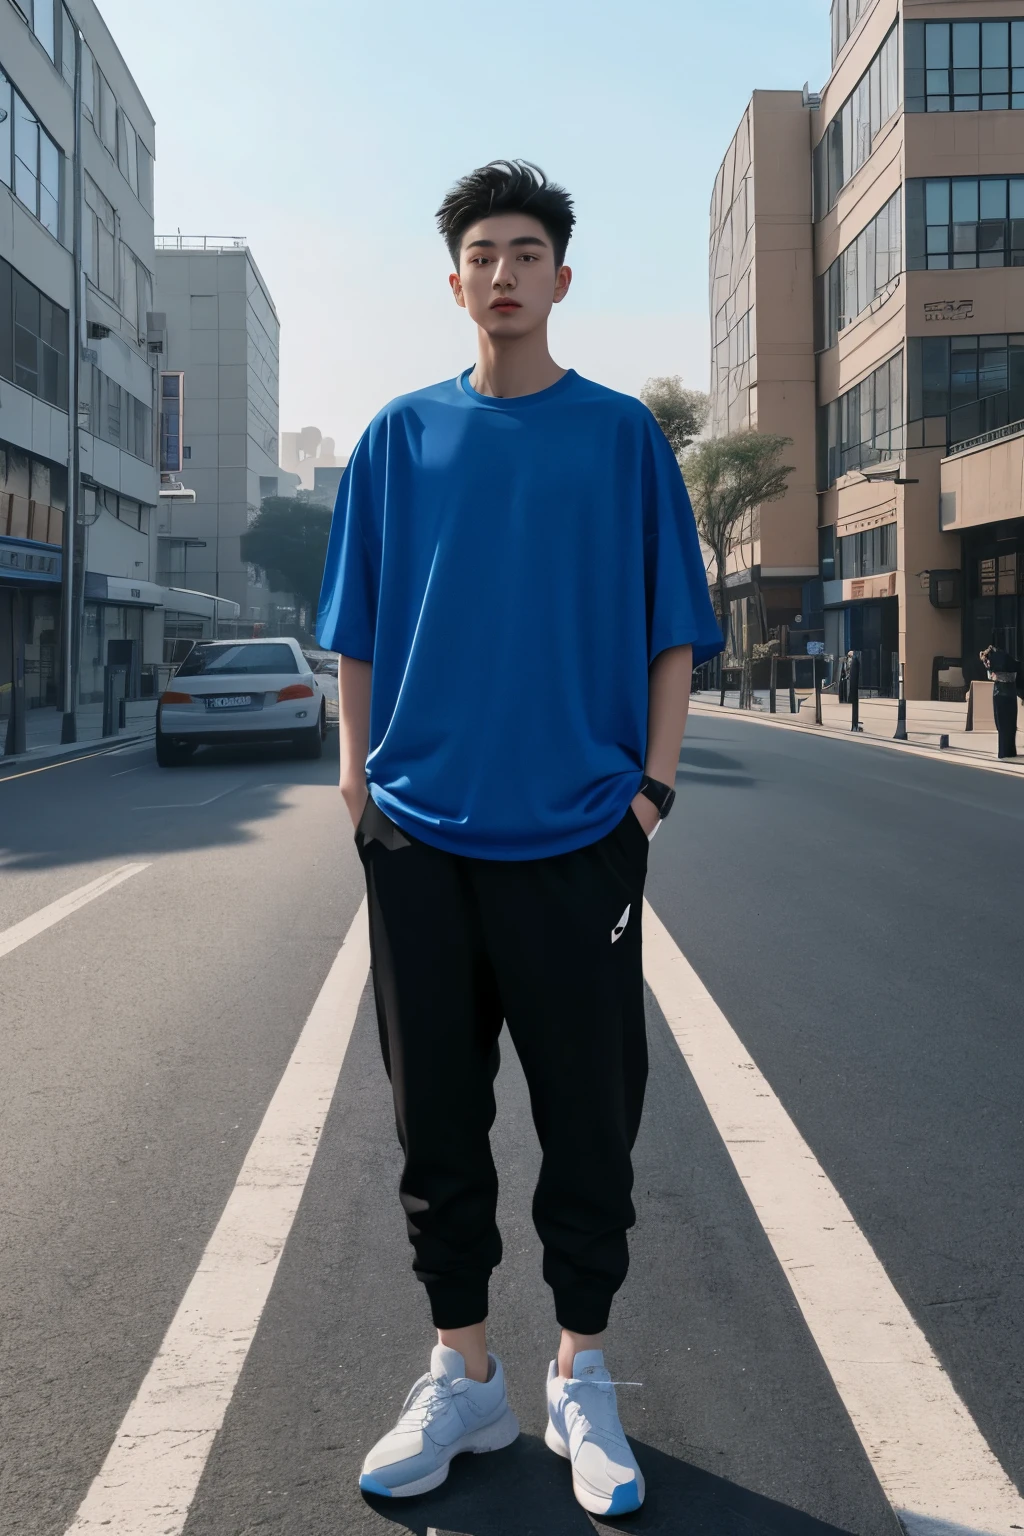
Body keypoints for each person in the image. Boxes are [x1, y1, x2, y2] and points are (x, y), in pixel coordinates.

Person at [316, 159, 722, 1517]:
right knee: (435, 1119)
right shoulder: (396, 441)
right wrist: (358, 789)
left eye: (526, 250)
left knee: (588, 1118)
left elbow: (674, 629)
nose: (503, 271)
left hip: (577, 842)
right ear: (455, 282)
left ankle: (580, 1378)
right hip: (422, 841)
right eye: (482, 252)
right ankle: (466, 1377)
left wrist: (650, 790)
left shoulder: (619, 440)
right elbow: (356, 632)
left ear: (560, 276)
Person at [980, 638, 1022, 758]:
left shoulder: (993, 659)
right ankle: (1010, 751)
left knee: (1002, 725)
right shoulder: (1011, 658)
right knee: (1010, 724)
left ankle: (1003, 751)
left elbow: (990, 675)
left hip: (999, 692)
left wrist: (989, 668)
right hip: (1010, 692)